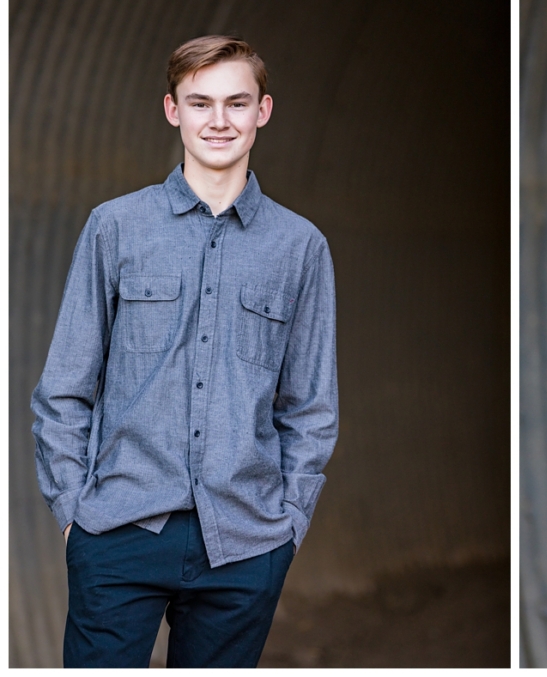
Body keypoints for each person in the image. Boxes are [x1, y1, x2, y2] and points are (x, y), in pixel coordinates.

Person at [31, 35, 339, 668]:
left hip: (246, 542)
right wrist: (74, 516)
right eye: (200, 103)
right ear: (173, 110)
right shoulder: (115, 227)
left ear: (264, 111)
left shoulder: (300, 246)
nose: (218, 121)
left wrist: (288, 525)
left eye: (236, 102)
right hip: (119, 530)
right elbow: (64, 387)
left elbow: (309, 405)